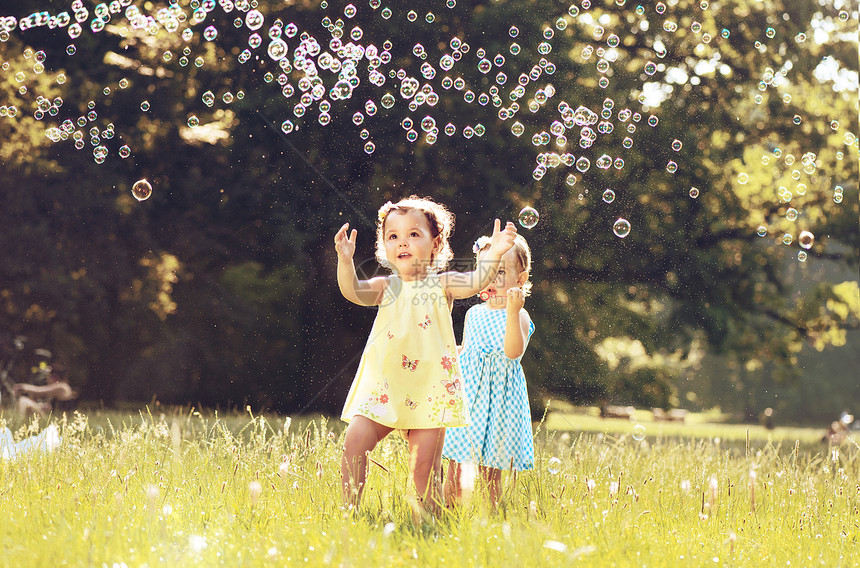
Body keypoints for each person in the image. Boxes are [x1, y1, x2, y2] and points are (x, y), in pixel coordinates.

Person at [335, 195, 518, 513]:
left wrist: (497, 253)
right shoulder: (385, 286)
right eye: (393, 236)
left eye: (413, 234)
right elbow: (352, 290)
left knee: (424, 470)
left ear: (436, 244)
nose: (402, 242)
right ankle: (349, 512)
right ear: (385, 248)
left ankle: (429, 520)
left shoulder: (442, 284)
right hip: (385, 390)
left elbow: (476, 281)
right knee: (354, 442)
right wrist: (345, 260)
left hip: (430, 391)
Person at [443, 233, 535, 508]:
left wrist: (511, 310)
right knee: (456, 466)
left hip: (500, 404)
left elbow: (513, 352)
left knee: (491, 472)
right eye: (488, 270)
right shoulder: (474, 313)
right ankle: (447, 514)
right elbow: (468, 351)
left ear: (521, 278)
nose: (493, 278)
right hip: (470, 399)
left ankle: (490, 518)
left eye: (502, 271)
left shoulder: (518, 315)